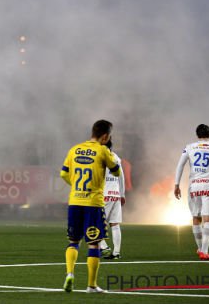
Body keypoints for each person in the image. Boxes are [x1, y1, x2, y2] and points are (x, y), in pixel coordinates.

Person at [60, 119, 120, 293]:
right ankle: (91, 285)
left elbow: (63, 173)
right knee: (94, 244)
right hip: (93, 204)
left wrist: (76, 186)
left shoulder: (74, 149)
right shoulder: (102, 151)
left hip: (75, 202)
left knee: (73, 241)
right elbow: (116, 171)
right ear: (105, 136)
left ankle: (70, 274)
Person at [174, 124, 209, 261]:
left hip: (194, 186)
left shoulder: (189, 147)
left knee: (196, 218)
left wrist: (177, 184)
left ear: (197, 135)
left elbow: (180, 165)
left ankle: (200, 249)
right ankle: (205, 251)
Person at [99, 138, 126, 259]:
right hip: (115, 194)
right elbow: (121, 177)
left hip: (104, 194)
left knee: (95, 222)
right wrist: (122, 194)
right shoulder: (116, 158)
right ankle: (116, 253)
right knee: (115, 224)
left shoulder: (101, 157)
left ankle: (104, 247)